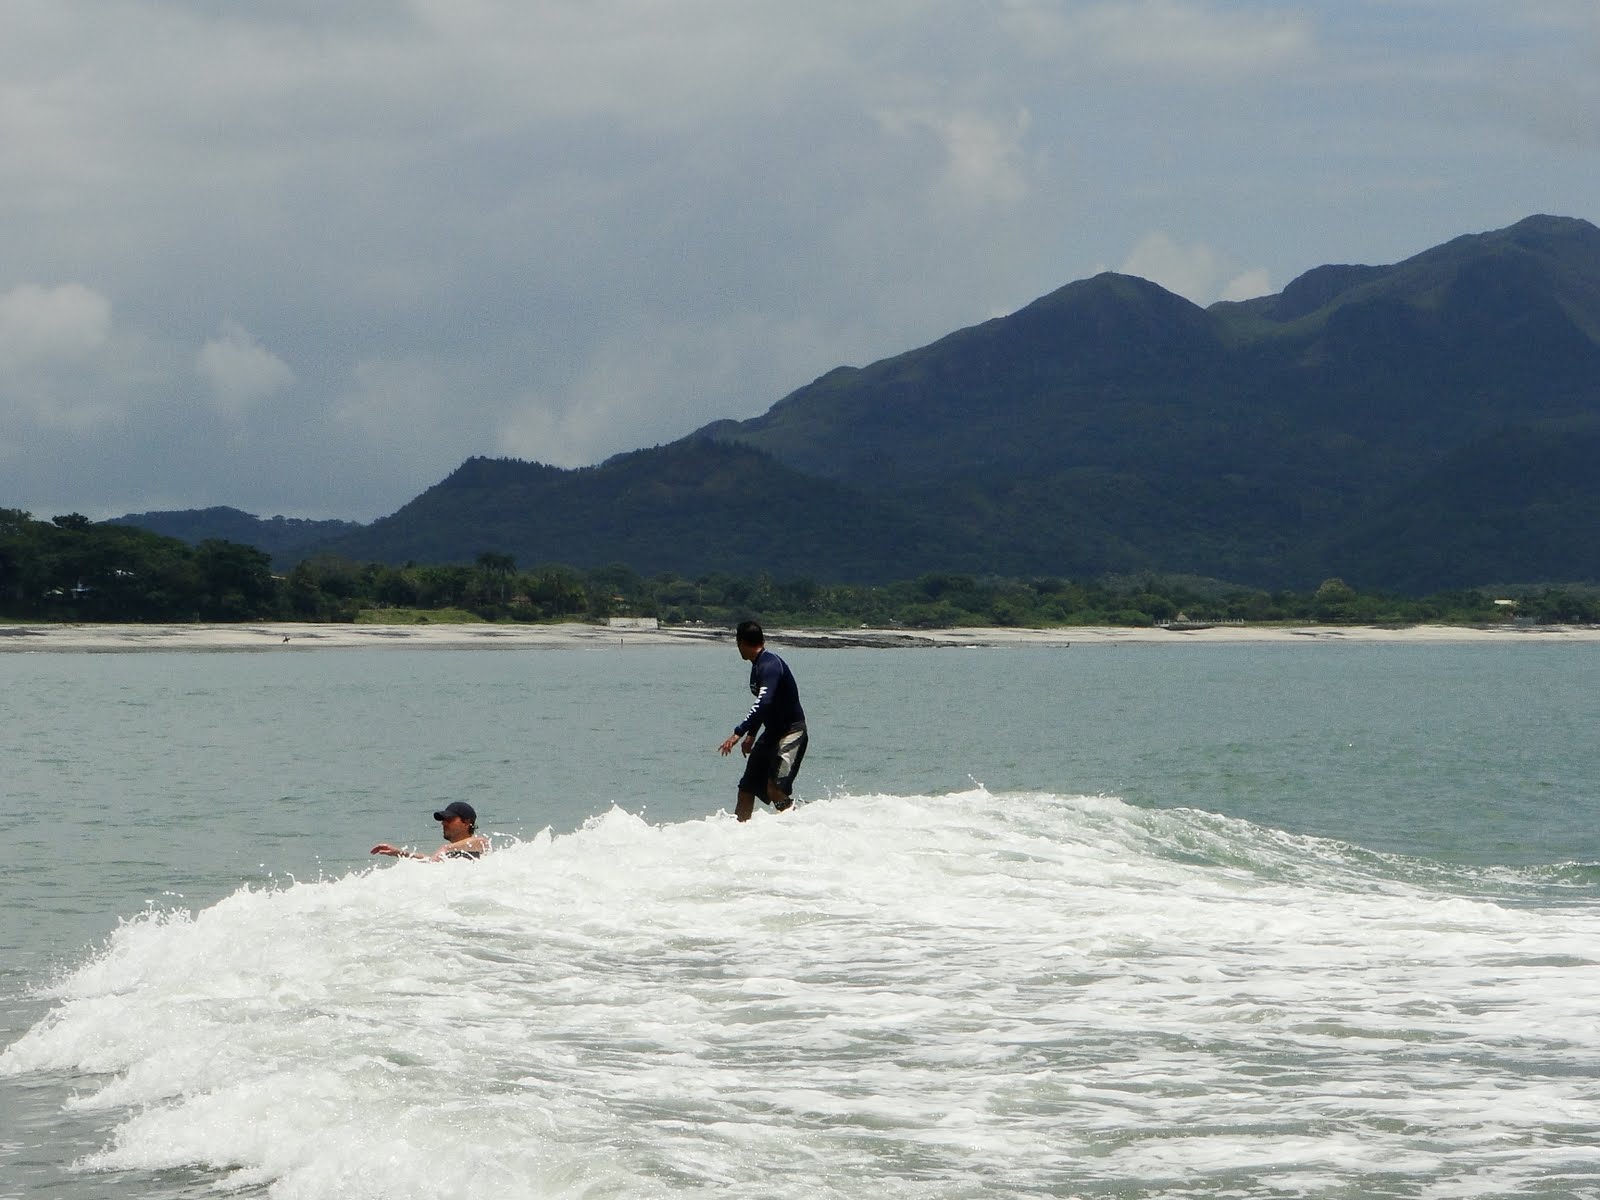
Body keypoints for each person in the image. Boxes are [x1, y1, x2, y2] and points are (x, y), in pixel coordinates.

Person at [717, 620, 807, 821]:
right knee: (746, 789)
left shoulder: (770, 665)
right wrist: (752, 734)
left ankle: (801, 823)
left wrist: (739, 733)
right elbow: (764, 704)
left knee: (774, 789)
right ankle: (740, 832)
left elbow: (764, 701)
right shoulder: (758, 665)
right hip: (771, 733)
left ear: (740, 642)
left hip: (791, 732)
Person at [371, 801, 490, 860]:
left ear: (467, 822)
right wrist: (399, 853)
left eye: (449, 819)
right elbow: (430, 862)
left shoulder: (477, 846)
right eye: (443, 820)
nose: (443, 823)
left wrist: (446, 848)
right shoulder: (448, 854)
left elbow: (482, 842)